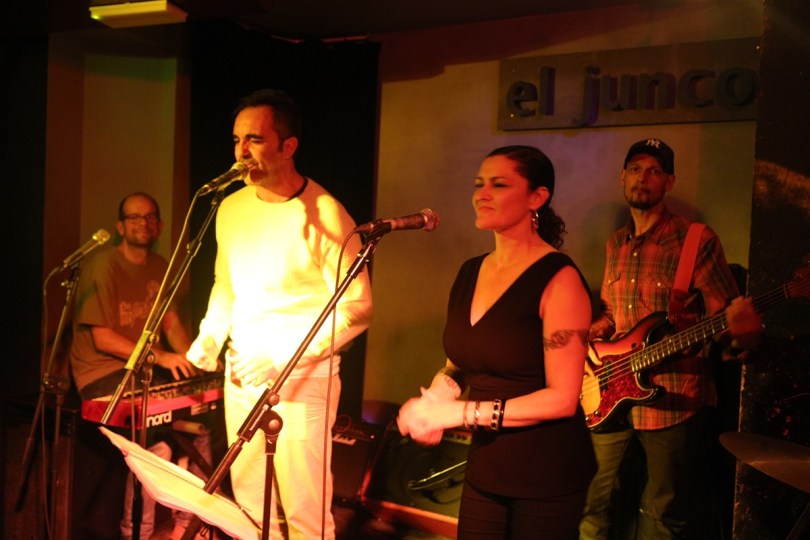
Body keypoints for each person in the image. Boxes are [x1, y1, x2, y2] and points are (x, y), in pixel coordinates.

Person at [185, 88, 373, 539]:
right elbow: (226, 284)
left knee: (305, 510)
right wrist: (210, 336)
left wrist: (284, 357)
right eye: (236, 140)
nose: (241, 152)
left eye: (254, 139)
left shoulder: (326, 213)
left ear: (288, 146)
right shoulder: (230, 207)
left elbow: (358, 306)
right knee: (250, 503)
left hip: (303, 382)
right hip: (241, 376)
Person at [397, 145, 597, 539]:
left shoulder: (559, 278)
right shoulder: (470, 271)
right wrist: (436, 400)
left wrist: (459, 414)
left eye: (499, 185)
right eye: (479, 184)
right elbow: (460, 362)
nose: (482, 194)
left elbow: (562, 399)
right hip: (487, 467)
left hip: (546, 474)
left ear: (537, 197)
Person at [578, 138, 763, 540]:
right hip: (609, 395)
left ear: (669, 182)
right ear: (622, 176)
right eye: (635, 168)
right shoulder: (616, 243)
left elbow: (724, 320)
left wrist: (741, 334)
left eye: (654, 171)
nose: (643, 178)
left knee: (666, 514)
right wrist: (591, 331)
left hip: (674, 400)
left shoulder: (695, 240)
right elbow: (612, 314)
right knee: (597, 506)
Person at [69, 192, 213, 540]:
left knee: (203, 428)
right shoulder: (102, 265)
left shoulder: (161, 266)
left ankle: (188, 522)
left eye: (149, 217)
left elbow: (171, 324)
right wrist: (159, 356)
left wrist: (196, 358)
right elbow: (103, 338)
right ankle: (138, 533)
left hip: (144, 370)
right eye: (134, 217)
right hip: (103, 373)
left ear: (159, 226)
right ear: (120, 226)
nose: (143, 223)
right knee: (155, 447)